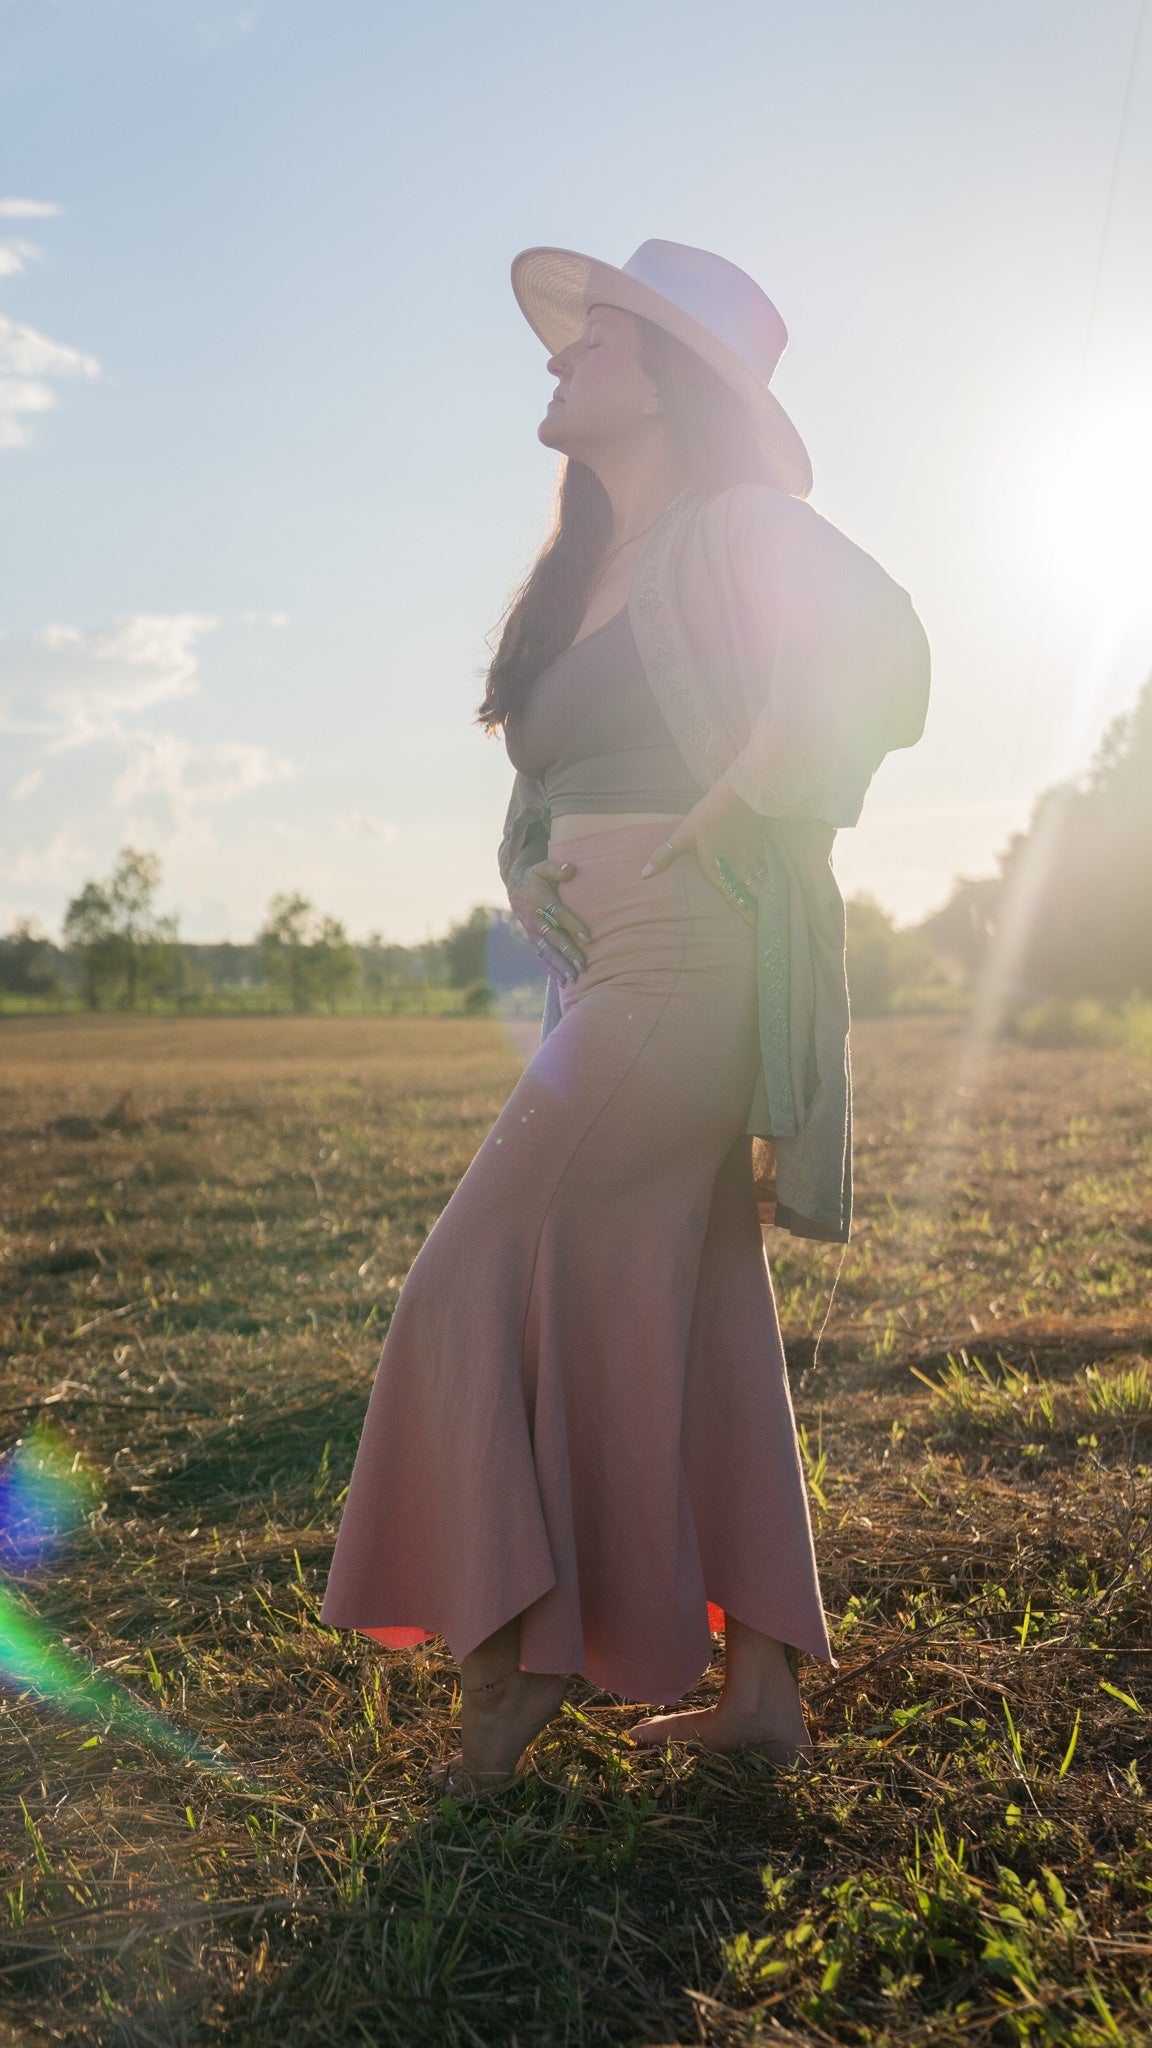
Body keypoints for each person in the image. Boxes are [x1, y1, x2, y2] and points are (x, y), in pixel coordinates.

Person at [320, 240, 930, 1799]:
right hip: (602, 970)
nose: (555, 358)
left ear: (667, 378)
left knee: (471, 1274)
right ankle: (764, 1688)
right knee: (700, 1284)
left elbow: (886, 657)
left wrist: (754, 781)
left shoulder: (740, 526)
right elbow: (545, 774)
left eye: (591, 341)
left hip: (692, 956)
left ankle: (522, 1659)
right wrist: (528, 867)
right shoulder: (577, 568)